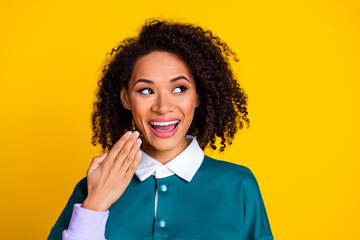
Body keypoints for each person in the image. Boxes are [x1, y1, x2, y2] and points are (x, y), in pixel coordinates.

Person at [48, 19, 273, 240]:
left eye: (179, 88)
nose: (163, 107)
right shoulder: (94, 186)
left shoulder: (238, 185)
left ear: (198, 96)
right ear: (126, 98)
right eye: (146, 91)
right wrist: (94, 206)